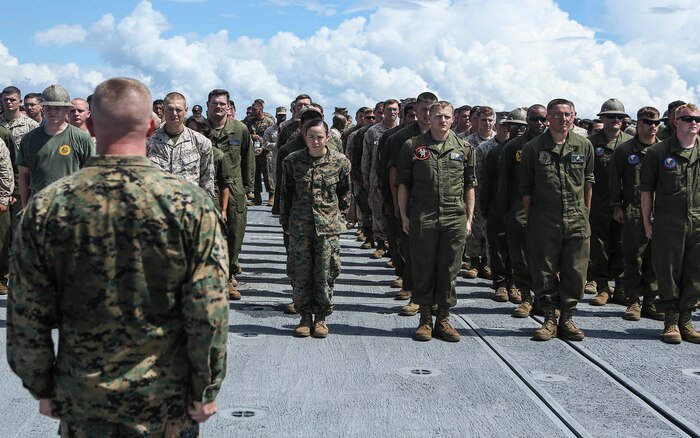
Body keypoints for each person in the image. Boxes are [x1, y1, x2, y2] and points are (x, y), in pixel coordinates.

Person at [6, 76, 229, 436]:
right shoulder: (191, 205)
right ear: (152, 124)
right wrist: (205, 389)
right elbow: (209, 311)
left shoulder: (48, 206)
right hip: (167, 403)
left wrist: (42, 386)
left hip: (84, 400)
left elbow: (26, 310)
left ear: (91, 124)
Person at [397, 100, 476, 342]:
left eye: (447, 117)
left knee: (449, 269)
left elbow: (470, 186)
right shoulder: (413, 146)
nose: (443, 120)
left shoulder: (464, 148)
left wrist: (469, 219)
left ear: (453, 120)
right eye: (438, 116)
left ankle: (443, 318)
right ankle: (424, 319)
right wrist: (404, 216)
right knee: (423, 268)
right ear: (428, 118)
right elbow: (403, 184)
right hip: (424, 215)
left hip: (454, 216)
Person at [520, 98, 594, 341]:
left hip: (576, 217)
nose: (563, 119)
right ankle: (550, 318)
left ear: (574, 117)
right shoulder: (533, 148)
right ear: (548, 118)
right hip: (544, 218)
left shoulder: (583, 146)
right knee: (544, 270)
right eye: (558, 115)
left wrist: (585, 214)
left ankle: (568, 317)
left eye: (568, 115)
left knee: (576, 270)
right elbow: (527, 189)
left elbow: (588, 183)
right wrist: (531, 221)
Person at [280, 118, 350, 338]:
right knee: (300, 273)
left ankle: (321, 318)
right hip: (300, 227)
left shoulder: (340, 162)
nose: (316, 141)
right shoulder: (292, 161)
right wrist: (286, 223)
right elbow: (286, 195)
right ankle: (304, 317)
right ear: (305, 138)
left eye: (320, 137)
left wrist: (339, 218)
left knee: (325, 272)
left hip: (327, 228)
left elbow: (345, 194)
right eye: (311, 137)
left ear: (327, 138)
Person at [640, 102, 700, 344]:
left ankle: (686, 319)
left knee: (695, 273)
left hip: (698, 222)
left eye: (697, 118)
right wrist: (646, 222)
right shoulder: (658, 152)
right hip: (668, 222)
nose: (694, 122)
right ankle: (671, 321)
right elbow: (646, 191)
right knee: (668, 272)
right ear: (676, 122)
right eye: (687, 119)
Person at [610, 106, 664, 321]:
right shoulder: (624, 150)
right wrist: (617, 206)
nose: (652, 127)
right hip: (632, 208)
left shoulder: (665, 150)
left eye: (656, 123)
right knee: (633, 257)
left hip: (661, 210)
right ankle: (633, 300)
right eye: (647, 122)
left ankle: (651, 301)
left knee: (656, 257)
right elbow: (615, 180)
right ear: (638, 124)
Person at [498, 104, 548, 318]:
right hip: (518, 210)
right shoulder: (512, 147)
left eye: (542, 119)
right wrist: (503, 213)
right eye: (534, 119)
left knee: (545, 259)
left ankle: (543, 299)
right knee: (520, 257)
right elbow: (504, 183)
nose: (539, 123)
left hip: (547, 211)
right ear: (527, 120)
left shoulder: (553, 145)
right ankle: (526, 297)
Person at [206, 89, 255, 300]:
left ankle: (230, 272)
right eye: (215, 103)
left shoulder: (240, 129)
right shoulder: (198, 128)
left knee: (235, 235)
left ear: (228, 107)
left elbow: (248, 159)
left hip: (234, 189)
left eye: (222, 104)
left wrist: (247, 188)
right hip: (207, 187)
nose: (219, 107)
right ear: (208, 105)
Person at [16, 85, 94, 207]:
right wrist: (25, 206)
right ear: (43, 109)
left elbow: (92, 175)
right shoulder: (29, 139)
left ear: (66, 110)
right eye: (48, 108)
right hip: (38, 204)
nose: (53, 112)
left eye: (58, 108)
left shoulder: (82, 138)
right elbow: (24, 175)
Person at [586, 98, 632, 305]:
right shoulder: (590, 144)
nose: (616, 120)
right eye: (611, 116)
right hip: (598, 204)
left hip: (624, 205)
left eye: (619, 117)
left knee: (623, 246)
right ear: (602, 118)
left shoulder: (630, 144)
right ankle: (603, 287)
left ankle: (621, 288)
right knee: (600, 247)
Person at [480, 108, 526, 303]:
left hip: (522, 209)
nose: (520, 130)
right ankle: (500, 283)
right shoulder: (495, 151)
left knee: (518, 250)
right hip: (498, 208)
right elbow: (486, 182)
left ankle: (514, 283)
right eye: (516, 126)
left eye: (523, 126)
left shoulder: (532, 150)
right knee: (498, 249)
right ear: (507, 126)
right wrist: (485, 209)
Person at [147, 92, 215, 197]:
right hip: (157, 208)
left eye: (178, 110)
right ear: (164, 109)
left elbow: (207, 183)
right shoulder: (149, 141)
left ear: (186, 111)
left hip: (190, 208)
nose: (174, 113)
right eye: (170, 109)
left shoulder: (201, 142)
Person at [361, 99, 399, 259]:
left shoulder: (401, 131)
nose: (392, 112)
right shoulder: (373, 131)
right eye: (388, 109)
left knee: (394, 213)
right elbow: (366, 156)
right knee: (377, 212)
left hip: (395, 178)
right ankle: (381, 244)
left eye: (395, 109)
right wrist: (365, 177)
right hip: (376, 178)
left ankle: (394, 246)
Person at [463, 106, 495, 279]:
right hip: (472, 190)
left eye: (490, 120)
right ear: (476, 121)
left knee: (489, 230)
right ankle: (474, 262)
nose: (487, 123)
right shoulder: (467, 143)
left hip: (490, 191)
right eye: (484, 120)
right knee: (474, 228)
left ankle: (487, 263)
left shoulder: (498, 141)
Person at [245, 100, 275, 206]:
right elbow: (246, 134)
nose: (252, 111)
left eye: (254, 109)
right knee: (255, 175)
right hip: (254, 152)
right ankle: (257, 197)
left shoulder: (269, 122)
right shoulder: (250, 122)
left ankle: (272, 195)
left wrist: (263, 147)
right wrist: (251, 136)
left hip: (266, 153)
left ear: (260, 110)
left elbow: (273, 137)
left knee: (268, 175)